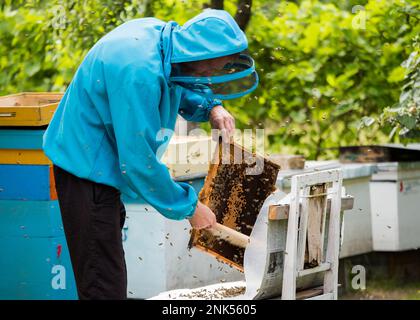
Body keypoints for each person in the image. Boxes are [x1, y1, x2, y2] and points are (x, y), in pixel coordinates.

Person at [43, 9, 258, 300]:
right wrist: (190, 208)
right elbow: (138, 162)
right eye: (207, 70)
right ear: (195, 52)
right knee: (102, 283)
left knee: (106, 268)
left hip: (100, 162)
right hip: (85, 166)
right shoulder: (138, 71)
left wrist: (211, 107)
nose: (207, 77)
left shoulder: (162, 39)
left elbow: (179, 81)